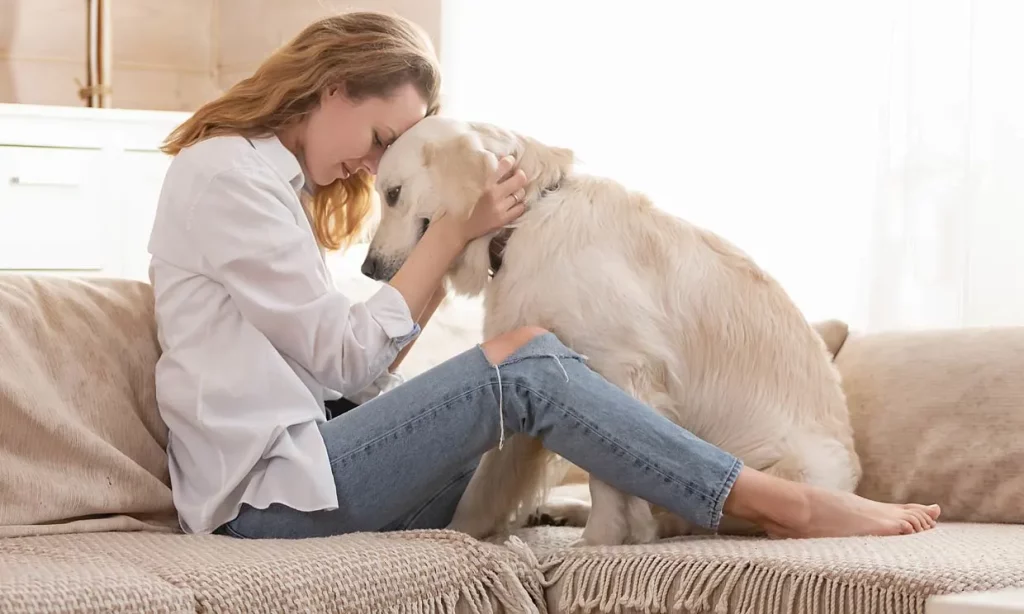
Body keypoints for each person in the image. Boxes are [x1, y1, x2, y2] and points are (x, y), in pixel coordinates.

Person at [147, 11, 940, 541]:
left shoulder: (275, 188)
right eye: (381, 134)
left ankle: (678, 501)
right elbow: (345, 357)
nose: (372, 161)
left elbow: (347, 376)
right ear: (332, 89)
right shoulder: (226, 177)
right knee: (524, 359)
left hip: (321, 470)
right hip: (270, 502)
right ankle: (787, 501)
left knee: (529, 370)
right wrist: (453, 230)